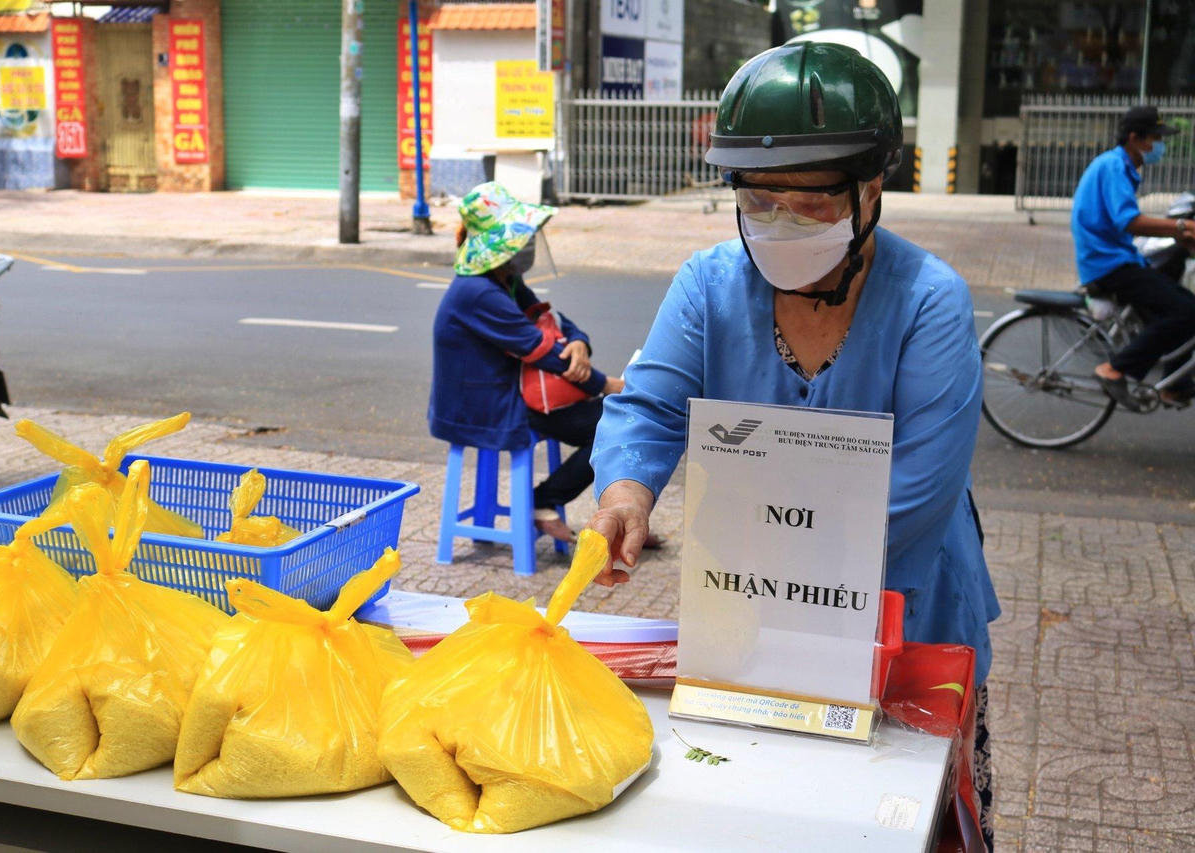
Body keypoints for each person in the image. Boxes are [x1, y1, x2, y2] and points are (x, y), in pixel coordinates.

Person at [586, 43, 1000, 847]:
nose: (777, 222)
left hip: (906, 606)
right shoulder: (708, 284)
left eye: (807, 204)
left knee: (902, 821)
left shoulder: (930, 302)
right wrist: (625, 491)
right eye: (757, 200)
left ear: (871, 190)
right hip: (749, 603)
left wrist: (773, 586)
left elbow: (916, 493)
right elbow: (650, 406)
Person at [428, 181, 624, 544]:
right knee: (616, 424)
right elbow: (546, 352)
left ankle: (581, 508)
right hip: (486, 407)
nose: (529, 244)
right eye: (522, 237)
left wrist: (579, 342)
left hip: (513, 392)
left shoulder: (507, 282)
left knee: (614, 422)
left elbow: (554, 321)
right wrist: (608, 386)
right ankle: (543, 501)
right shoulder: (478, 293)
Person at [1071, 104, 1195, 410]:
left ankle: (1174, 386)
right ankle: (1113, 369)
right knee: (1186, 311)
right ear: (1134, 138)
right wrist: (1180, 226)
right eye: (1155, 138)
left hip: (1118, 259)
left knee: (1177, 304)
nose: (1159, 145)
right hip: (1108, 265)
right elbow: (1128, 221)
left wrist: (1180, 235)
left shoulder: (1121, 166)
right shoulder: (1113, 166)